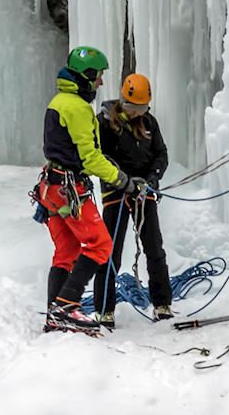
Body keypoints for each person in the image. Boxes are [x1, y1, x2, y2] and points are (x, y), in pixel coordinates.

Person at [33, 46, 146, 334]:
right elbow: (89, 158)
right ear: (87, 75)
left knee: (67, 250)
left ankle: (54, 315)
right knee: (101, 244)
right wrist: (123, 181)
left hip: (51, 190)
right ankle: (66, 306)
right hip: (68, 191)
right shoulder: (78, 107)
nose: (101, 82)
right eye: (99, 76)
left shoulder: (58, 101)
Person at [90, 73, 173, 329]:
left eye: (142, 108)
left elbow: (161, 154)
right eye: (133, 108)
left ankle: (162, 304)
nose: (138, 113)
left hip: (144, 193)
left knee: (154, 249)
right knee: (109, 251)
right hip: (116, 194)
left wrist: (151, 179)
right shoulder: (104, 123)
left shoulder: (149, 123)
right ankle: (104, 310)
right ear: (123, 102)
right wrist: (124, 181)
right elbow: (100, 156)